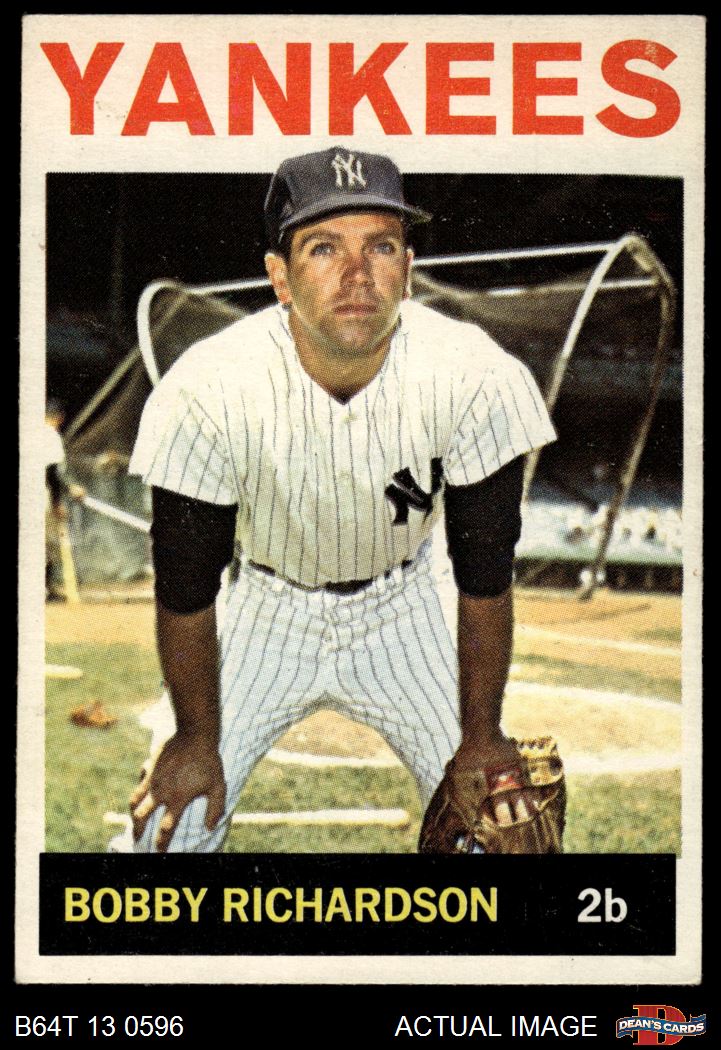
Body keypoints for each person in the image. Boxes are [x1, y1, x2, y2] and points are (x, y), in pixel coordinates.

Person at [128, 147, 556, 853]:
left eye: (379, 246)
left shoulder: (475, 375)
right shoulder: (207, 388)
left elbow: (484, 575)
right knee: (165, 837)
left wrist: (482, 735)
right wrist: (194, 737)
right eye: (324, 248)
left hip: (403, 610)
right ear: (280, 277)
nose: (357, 274)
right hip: (265, 613)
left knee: (495, 835)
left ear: (407, 270)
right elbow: (185, 586)